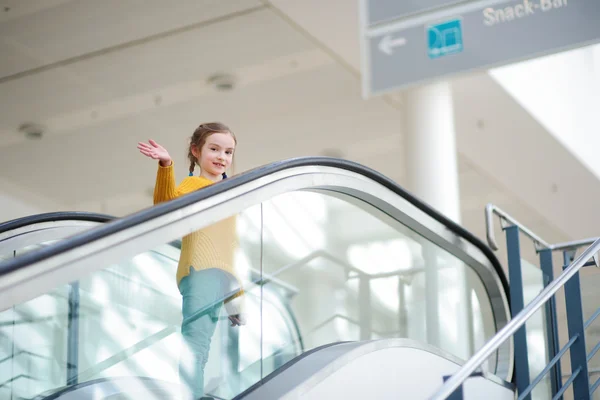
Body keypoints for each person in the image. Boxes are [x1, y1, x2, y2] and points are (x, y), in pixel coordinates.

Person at [137, 122, 245, 400]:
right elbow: (165, 205)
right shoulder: (194, 184)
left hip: (221, 279)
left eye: (229, 152)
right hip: (200, 272)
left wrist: (236, 294)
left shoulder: (232, 191)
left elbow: (230, 245)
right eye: (214, 149)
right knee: (196, 345)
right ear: (196, 151)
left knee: (203, 346)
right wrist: (166, 164)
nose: (222, 157)